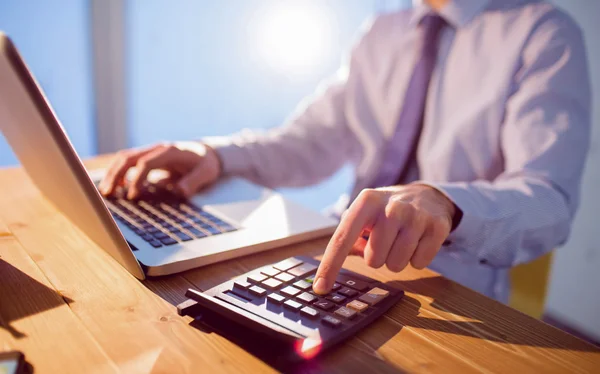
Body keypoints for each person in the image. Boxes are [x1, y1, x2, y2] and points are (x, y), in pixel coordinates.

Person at [99, 0, 591, 302]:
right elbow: (309, 143)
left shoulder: (543, 33)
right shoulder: (382, 34)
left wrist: (444, 200)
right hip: (332, 256)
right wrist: (215, 154)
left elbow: (548, 201)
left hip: (446, 286)